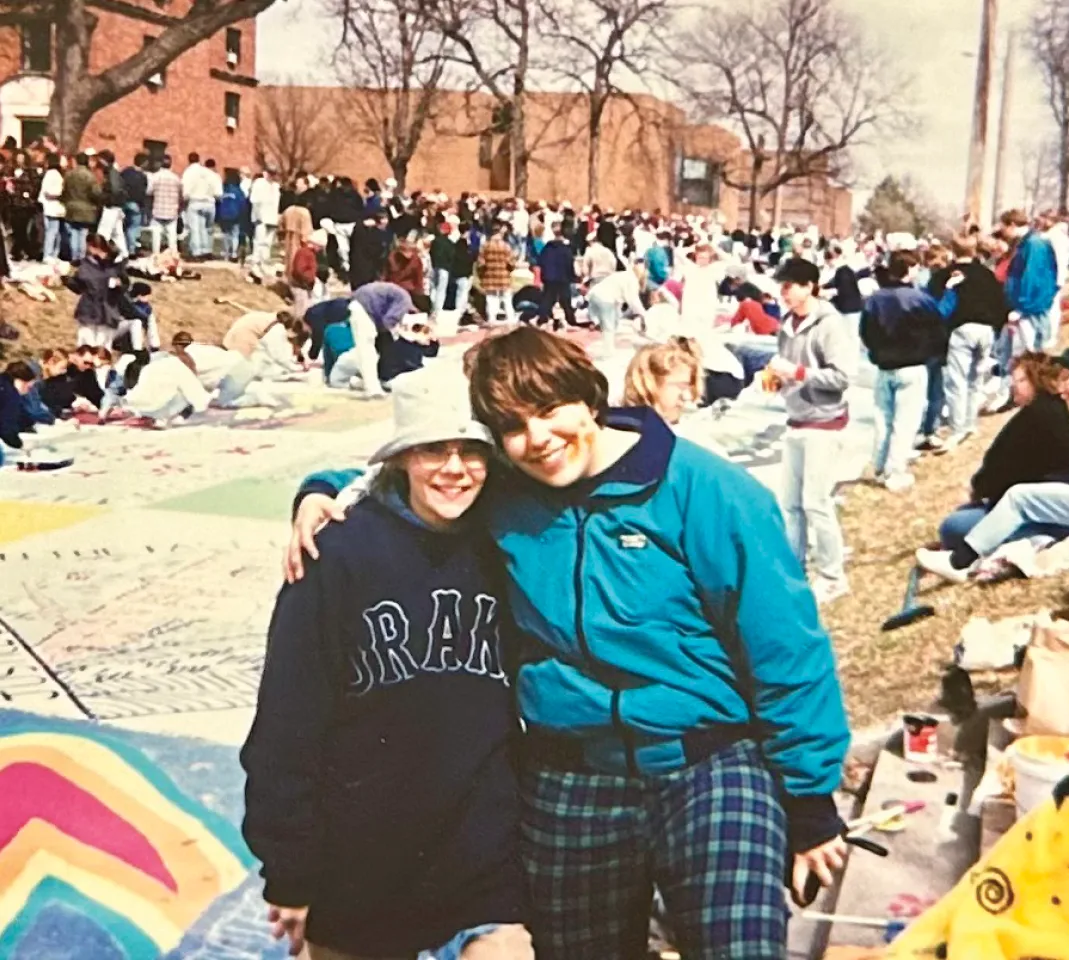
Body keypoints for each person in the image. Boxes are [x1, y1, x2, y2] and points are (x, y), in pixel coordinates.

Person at [285, 326, 850, 960]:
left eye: (551, 411)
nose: (538, 440)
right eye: (513, 427)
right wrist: (325, 488)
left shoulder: (707, 491)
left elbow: (786, 651)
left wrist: (809, 800)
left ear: (589, 399)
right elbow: (420, 479)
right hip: (572, 768)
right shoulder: (508, 490)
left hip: (704, 761)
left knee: (736, 946)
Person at [242, 368, 531, 960]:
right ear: (401, 457)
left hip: (483, 849)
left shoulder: (508, 535)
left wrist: (322, 484)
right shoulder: (336, 554)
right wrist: (289, 870)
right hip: (362, 856)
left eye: (471, 450)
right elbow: (287, 724)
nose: (455, 468)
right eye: (432, 449)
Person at [764, 257, 856, 604]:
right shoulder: (786, 323)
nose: (783, 293)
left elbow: (844, 377)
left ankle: (833, 576)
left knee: (816, 503)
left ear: (809, 286)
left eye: (789, 286)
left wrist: (797, 373)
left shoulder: (830, 325)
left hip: (825, 423)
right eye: (782, 286)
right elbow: (785, 370)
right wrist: (775, 379)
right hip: (797, 419)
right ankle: (795, 570)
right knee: (790, 505)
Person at [935, 352, 1069, 552]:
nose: (1014, 385)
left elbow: (999, 470)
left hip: (1043, 506)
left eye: (1021, 380)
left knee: (953, 527)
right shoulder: (1050, 411)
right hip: (1051, 501)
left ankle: (1035, 538)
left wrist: (977, 491)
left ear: (1038, 379)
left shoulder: (1037, 415)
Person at [859, 250, 948, 492]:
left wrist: (876, 352)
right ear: (909, 270)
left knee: (883, 420)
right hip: (913, 365)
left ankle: (878, 466)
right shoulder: (920, 299)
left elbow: (865, 333)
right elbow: (938, 329)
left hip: (885, 366)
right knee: (904, 423)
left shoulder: (875, 300)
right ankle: (895, 471)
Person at [927, 233, 1008, 453]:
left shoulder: (946, 275)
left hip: (960, 329)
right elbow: (1001, 302)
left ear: (953, 250)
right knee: (976, 379)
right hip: (986, 329)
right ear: (974, 251)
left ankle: (957, 428)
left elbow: (933, 304)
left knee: (957, 381)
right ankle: (971, 423)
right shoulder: (988, 275)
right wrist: (997, 328)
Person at [1001, 208, 1059, 355]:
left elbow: (1032, 278)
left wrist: (1022, 307)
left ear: (1012, 225)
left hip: (1031, 311)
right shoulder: (1027, 244)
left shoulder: (1034, 245)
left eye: (1004, 228)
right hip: (1027, 309)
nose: (1003, 233)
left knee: (1027, 357)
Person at [69, 234, 123, 348]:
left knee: (103, 347)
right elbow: (79, 287)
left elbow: (124, 284)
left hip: (108, 309)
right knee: (86, 345)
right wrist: (66, 279)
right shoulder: (84, 265)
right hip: (89, 309)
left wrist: (118, 284)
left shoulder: (113, 265)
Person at [586, 263, 647, 357]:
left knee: (611, 324)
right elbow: (633, 300)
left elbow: (620, 297)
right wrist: (643, 314)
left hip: (597, 295)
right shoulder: (632, 280)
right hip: (605, 298)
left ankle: (608, 348)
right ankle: (608, 351)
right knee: (609, 326)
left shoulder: (624, 274)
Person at [537, 221, 577, 329]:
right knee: (565, 300)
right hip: (563, 278)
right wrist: (573, 277)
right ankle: (571, 320)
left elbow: (540, 262)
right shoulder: (566, 249)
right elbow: (570, 264)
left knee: (547, 299)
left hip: (549, 278)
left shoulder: (547, 248)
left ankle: (543, 318)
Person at [62, 152, 100, 263]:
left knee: (73, 233)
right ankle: (82, 258)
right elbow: (95, 192)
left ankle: (74, 257)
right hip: (86, 208)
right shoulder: (90, 176)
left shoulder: (69, 174)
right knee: (83, 234)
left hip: (71, 207)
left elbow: (64, 191)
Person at [478, 222, 517, 325]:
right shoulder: (506, 246)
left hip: (489, 275)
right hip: (503, 275)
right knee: (507, 299)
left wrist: (482, 274)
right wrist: (510, 269)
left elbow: (481, 263)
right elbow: (511, 263)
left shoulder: (485, 246)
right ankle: (510, 317)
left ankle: (491, 318)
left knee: (491, 298)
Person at [96, 150, 129, 260]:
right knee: (117, 233)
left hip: (111, 206)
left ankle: (100, 256)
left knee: (103, 233)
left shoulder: (111, 173)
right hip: (117, 206)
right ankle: (123, 255)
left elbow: (114, 190)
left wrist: (106, 200)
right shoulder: (113, 172)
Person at [249, 166, 282, 277]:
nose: (272, 176)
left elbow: (277, 203)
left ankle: (265, 262)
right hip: (261, 217)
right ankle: (255, 262)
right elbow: (254, 201)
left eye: (274, 173)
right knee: (259, 241)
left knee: (268, 243)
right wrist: (257, 216)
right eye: (270, 173)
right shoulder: (259, 183)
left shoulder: (276, 186)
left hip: (272, 217)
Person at [148, 155, 182, 255]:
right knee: (172, 237)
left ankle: (156, 255)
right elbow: (181, 194)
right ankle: (173, 256)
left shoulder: (155, 177)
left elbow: (149, 191)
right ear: (170, 164)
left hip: (158, 210)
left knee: (156, 236)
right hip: (172, 210)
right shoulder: (176, 178)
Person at [289, 229, 327, 320]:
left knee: (304, 307)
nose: (320, 250)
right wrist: (310, 279)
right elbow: (299, 270)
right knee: (301, 310)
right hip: (300, 285)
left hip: (304, 285)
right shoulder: (305, 253)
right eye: (320, 247)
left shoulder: (309, 253)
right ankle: (297, 328)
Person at [120, 152, 149, 256]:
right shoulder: (142, 176)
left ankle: (122, 249)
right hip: (135, 204)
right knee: (133, 227)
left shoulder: (126, 172)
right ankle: (131, 250)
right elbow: (142, 193)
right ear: (144, 163)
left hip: (123, 203)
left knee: (123, 227)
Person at [39, 153, 66, 262]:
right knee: (52, 232)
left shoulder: (51, 174)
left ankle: (52, 254)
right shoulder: (53, 174)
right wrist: (61, 194)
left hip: (52, 207)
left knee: (53, 232)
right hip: (52, 207)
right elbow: (48, 192)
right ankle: (49, 254)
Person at [216, 169, 247, 262]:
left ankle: (226, 253)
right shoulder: (238, 190)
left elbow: (218, 202)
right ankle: (233, 253)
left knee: (226, 235)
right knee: (235, 234)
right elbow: (242, 203)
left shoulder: (223, 189)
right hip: (235, 215)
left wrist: (218, 215)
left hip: (224, 215)